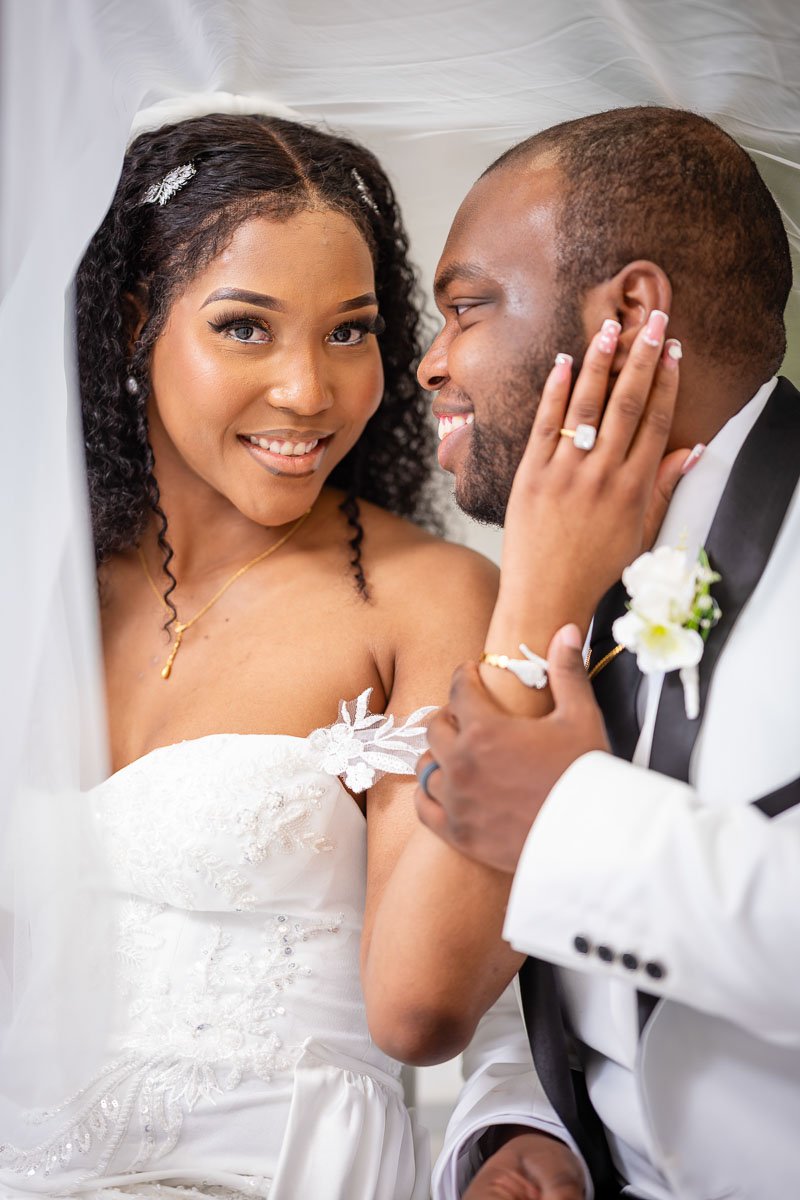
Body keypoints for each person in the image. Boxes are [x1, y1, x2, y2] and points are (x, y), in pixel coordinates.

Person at [0, 108, 525, 1200]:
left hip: (282, 1170)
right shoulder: (37, 599)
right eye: (246, 327)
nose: (307, 390)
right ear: (136, 324)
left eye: (348, 330)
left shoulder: (426, 599)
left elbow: (435, 999)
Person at [402, 106, 798, 1199]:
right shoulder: (544, 565)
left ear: (628, 309)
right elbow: (526, 971)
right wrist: (518, 1122)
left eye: (467, 306)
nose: (430, 363)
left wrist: (566, 822)